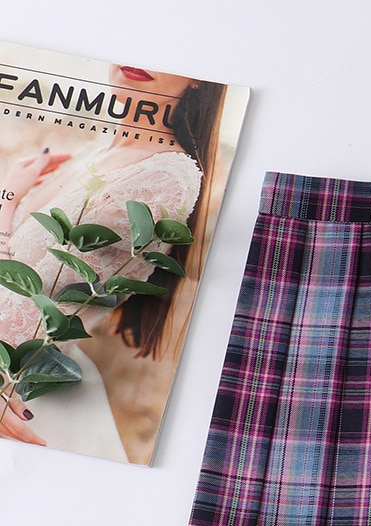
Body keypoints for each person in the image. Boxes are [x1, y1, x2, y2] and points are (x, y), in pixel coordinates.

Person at [0, 65, 225, 462]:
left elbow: (28, 310)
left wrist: (7, 200)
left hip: (16, 385)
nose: (142, 59)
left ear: (200, 76)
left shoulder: (166, 176)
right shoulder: (96, 149)